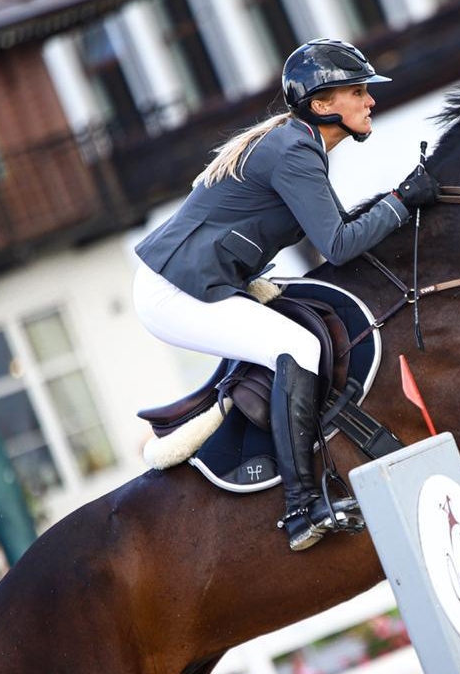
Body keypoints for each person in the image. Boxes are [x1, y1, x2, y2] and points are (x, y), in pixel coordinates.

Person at [132, 39, 440, 551]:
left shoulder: (300, 144)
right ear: (321, 104)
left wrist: (402, 205)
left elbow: (338, 229)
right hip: (174, 291)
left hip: (190, 281)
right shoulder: (295, 150)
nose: (370, 101)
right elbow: (339, 245)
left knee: (297, 337)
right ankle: (300, 508)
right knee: (297, 347)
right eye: (358, 92)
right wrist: (401, 202)